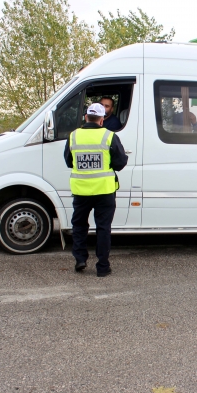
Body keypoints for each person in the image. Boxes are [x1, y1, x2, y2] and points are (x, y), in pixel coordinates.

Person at [64, 103, 128, 277]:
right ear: (101, 120)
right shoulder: (109, 136)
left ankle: (80, 259)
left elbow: (69, 162)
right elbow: (120, 163)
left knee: (79, 225)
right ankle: (102, 266)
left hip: (81, 191)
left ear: (86, 117)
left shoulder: (73, 136)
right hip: (104, 191)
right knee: (103, 228)